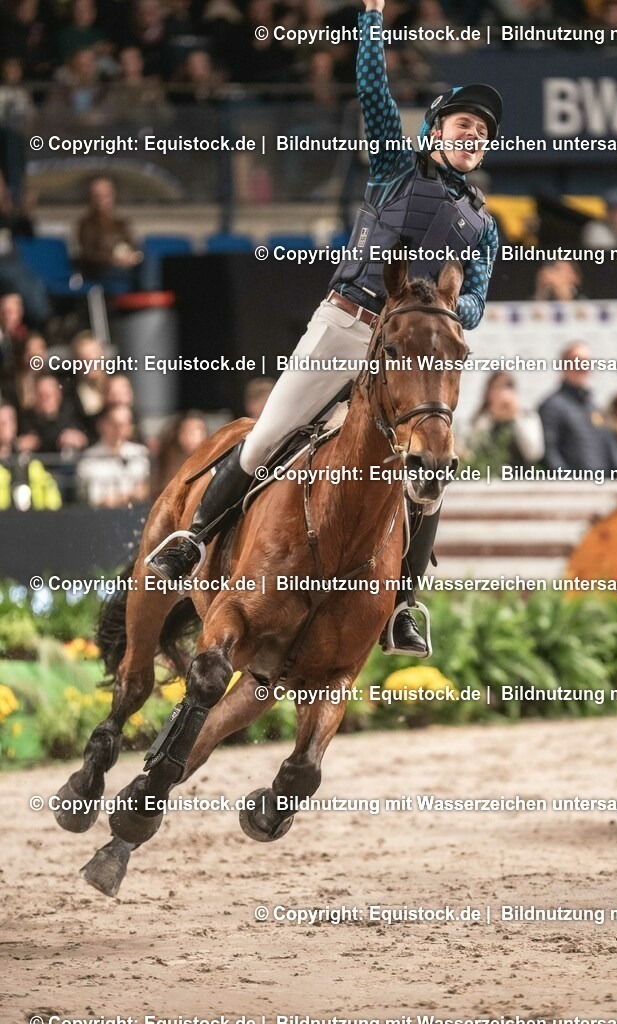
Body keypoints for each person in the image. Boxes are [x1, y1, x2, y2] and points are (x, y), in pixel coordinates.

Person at [149, 0, 502, 657]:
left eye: (481, 132)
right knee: (267, 437)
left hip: (408, 355)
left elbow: (477, 297)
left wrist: (451, 315)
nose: (472, 136)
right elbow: (372, 91)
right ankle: (191, 541)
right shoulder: (396, 168)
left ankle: (403, 605)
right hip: (347, 325)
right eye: (463, 125)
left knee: (428, 472)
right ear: (434, 130)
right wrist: (370, 18)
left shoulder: (484, 225)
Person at [539, 342, 617, 473]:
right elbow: (550, 453)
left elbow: (611, 448)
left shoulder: (594, 408)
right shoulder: (551, 407)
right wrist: (566, 481)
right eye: (577, 361)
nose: (582, 367)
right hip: (573, 485)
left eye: (587, 362)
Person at [465, 371, 544, 473]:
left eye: (507, 387)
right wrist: (492, 417)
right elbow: (474, 451)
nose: (502, 393)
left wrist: (516, 417)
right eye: (497, 388)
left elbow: (534, 454)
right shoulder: (481, 420)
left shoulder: (528, 417)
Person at [77, 402, 150, 506]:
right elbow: (98, 500)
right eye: (114, 424)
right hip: (105, 515)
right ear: (101, 425)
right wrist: (131, 495)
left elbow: (147, 489)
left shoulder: (141, 453)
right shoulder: (88, 459)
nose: (120, 429)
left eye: (125, 424)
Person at [76, 176, 143, 290]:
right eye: (98, 196)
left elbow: (133, 245)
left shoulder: (121, 224)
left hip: (128, 266)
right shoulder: (87, 225)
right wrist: (113, 259)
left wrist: (133, 256)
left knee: (149, 260)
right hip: (103, 270)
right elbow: (89, 254)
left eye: (106, 195)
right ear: (91, 198)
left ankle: (152, 294)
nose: (102, 200)